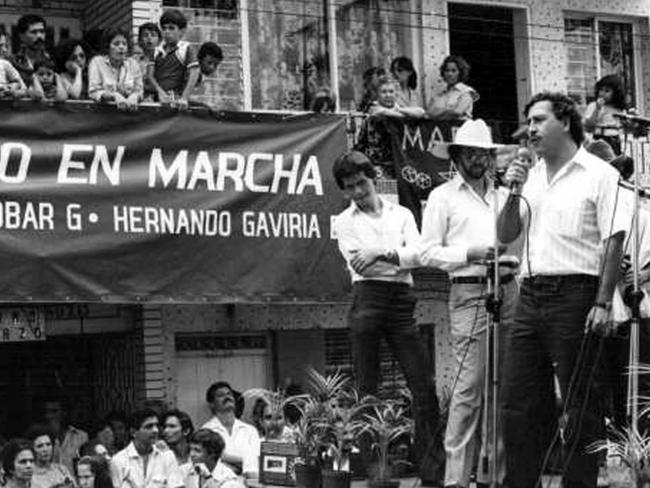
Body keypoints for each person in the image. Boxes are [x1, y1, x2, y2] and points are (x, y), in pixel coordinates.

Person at [498, 92, 626, 488]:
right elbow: (505, 235)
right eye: (529, 122)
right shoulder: (531, 175)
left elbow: (614, 240)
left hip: (577, 293)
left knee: (579, 402)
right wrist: (513, 190)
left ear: (566, 122)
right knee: (519, 401)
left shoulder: (599, 173)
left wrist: (603, 302)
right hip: (531, 294)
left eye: (538, 120)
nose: (530, 130)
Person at [332, 150, 444, 485]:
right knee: (367, 389)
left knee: (423, 387)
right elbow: (358, 264)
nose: (357, 192)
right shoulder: (344, 222)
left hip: (401, 302)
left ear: (374, 176)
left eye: (362, 183)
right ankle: (376, 473)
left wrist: (382, 252)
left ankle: (432, 473)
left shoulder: (403, 214)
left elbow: (420, 255)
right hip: (366, 299)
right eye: (349, 187)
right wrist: (399, 257)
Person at [420, 119, 520, 488]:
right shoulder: (442, 197)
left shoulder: (502, 195)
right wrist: (471, 252)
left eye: (485, 153)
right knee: (469, 389)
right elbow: (427, 252)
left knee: (503, 388)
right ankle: (456, 481)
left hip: (508, 288)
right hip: (469, 290)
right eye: (472, 153)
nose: (479, 159)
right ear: (457, 156)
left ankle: (496, 476)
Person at [109, 409, 183, 488]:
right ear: (133, 432)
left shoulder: (166, 456)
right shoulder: (119, 460)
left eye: (156, 426)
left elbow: (177, 485)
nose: (155, 430)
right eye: (149, 426)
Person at [201, 382, 260, 479]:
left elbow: (257, 461)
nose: (227, 397)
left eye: (229, 394)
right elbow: (211, 465)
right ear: (211, 404)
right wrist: (247, 462)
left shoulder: (250, 430)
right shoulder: (206, 431)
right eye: (220, 395)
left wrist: (226, 459)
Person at [151, 9, 200, 108]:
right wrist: (159, 92)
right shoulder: (156, 51)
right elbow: (150, 76)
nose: (167, 32)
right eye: (164, 28)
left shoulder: (185, 48)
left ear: (182, 31)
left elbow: (194, 72)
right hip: (157, 101)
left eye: (171, 28)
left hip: (177, 102)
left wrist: (185, 97)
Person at [88, 28, 143, 110]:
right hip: (103, 114)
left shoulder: (133, 64)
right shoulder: (97, 62)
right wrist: (114, 96)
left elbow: (139, 90)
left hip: (129, 115)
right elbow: (93, 92)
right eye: (116, 44)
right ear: (107, 47)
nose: (121, 47)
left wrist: (135, 96)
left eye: (124, 44)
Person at [41, 399, 88, 476]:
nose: (49, 416)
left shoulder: (81, 436)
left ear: (64, 413)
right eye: (47, 412)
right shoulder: (41, 439)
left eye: (54, 411)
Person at [583, 74, 627, 155]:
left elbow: (625, 127)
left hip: (614, 140)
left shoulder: (618, 108)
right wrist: (597, 109)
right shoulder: (593, 106)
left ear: (616, 93)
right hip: (599, 139)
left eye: (607, 91)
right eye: (601, 90)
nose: (602, 93)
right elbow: (589, 126)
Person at [428, 55, 479, 120]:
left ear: (460, 73)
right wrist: (448, 111)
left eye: (453, 71)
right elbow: (428, 114)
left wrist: (438, 113)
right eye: (447, 70)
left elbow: (457, 112)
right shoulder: (438, 96)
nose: (450, 74)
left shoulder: (466, 91)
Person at [11, 14, 50, 87]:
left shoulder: (51, 60)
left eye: (42, 31)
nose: (39, 36)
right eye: (33, 32)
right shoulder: (13, 62)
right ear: (22, 36)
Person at [136, 22, 161, 102]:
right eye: (145, 35)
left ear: (159, 40)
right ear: (139, 41)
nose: (149, 38)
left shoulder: (165, 60)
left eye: (153, 35)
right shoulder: (133, 62)